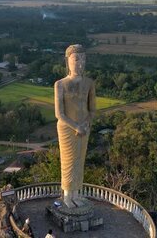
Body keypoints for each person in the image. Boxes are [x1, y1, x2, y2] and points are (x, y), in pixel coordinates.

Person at [54, 44, 96, 208]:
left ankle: (77, 194)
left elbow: (92, 110)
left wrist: (84, 124)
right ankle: (67, 196)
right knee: (68, 161)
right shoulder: (60, 84)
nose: (80, 63)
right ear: (68, 60)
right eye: (76, 59)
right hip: (67, 128)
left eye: (83, 59)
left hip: (84, 128)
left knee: (80, 161)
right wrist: (76, 126)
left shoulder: (89, 83)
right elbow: (59, 114)